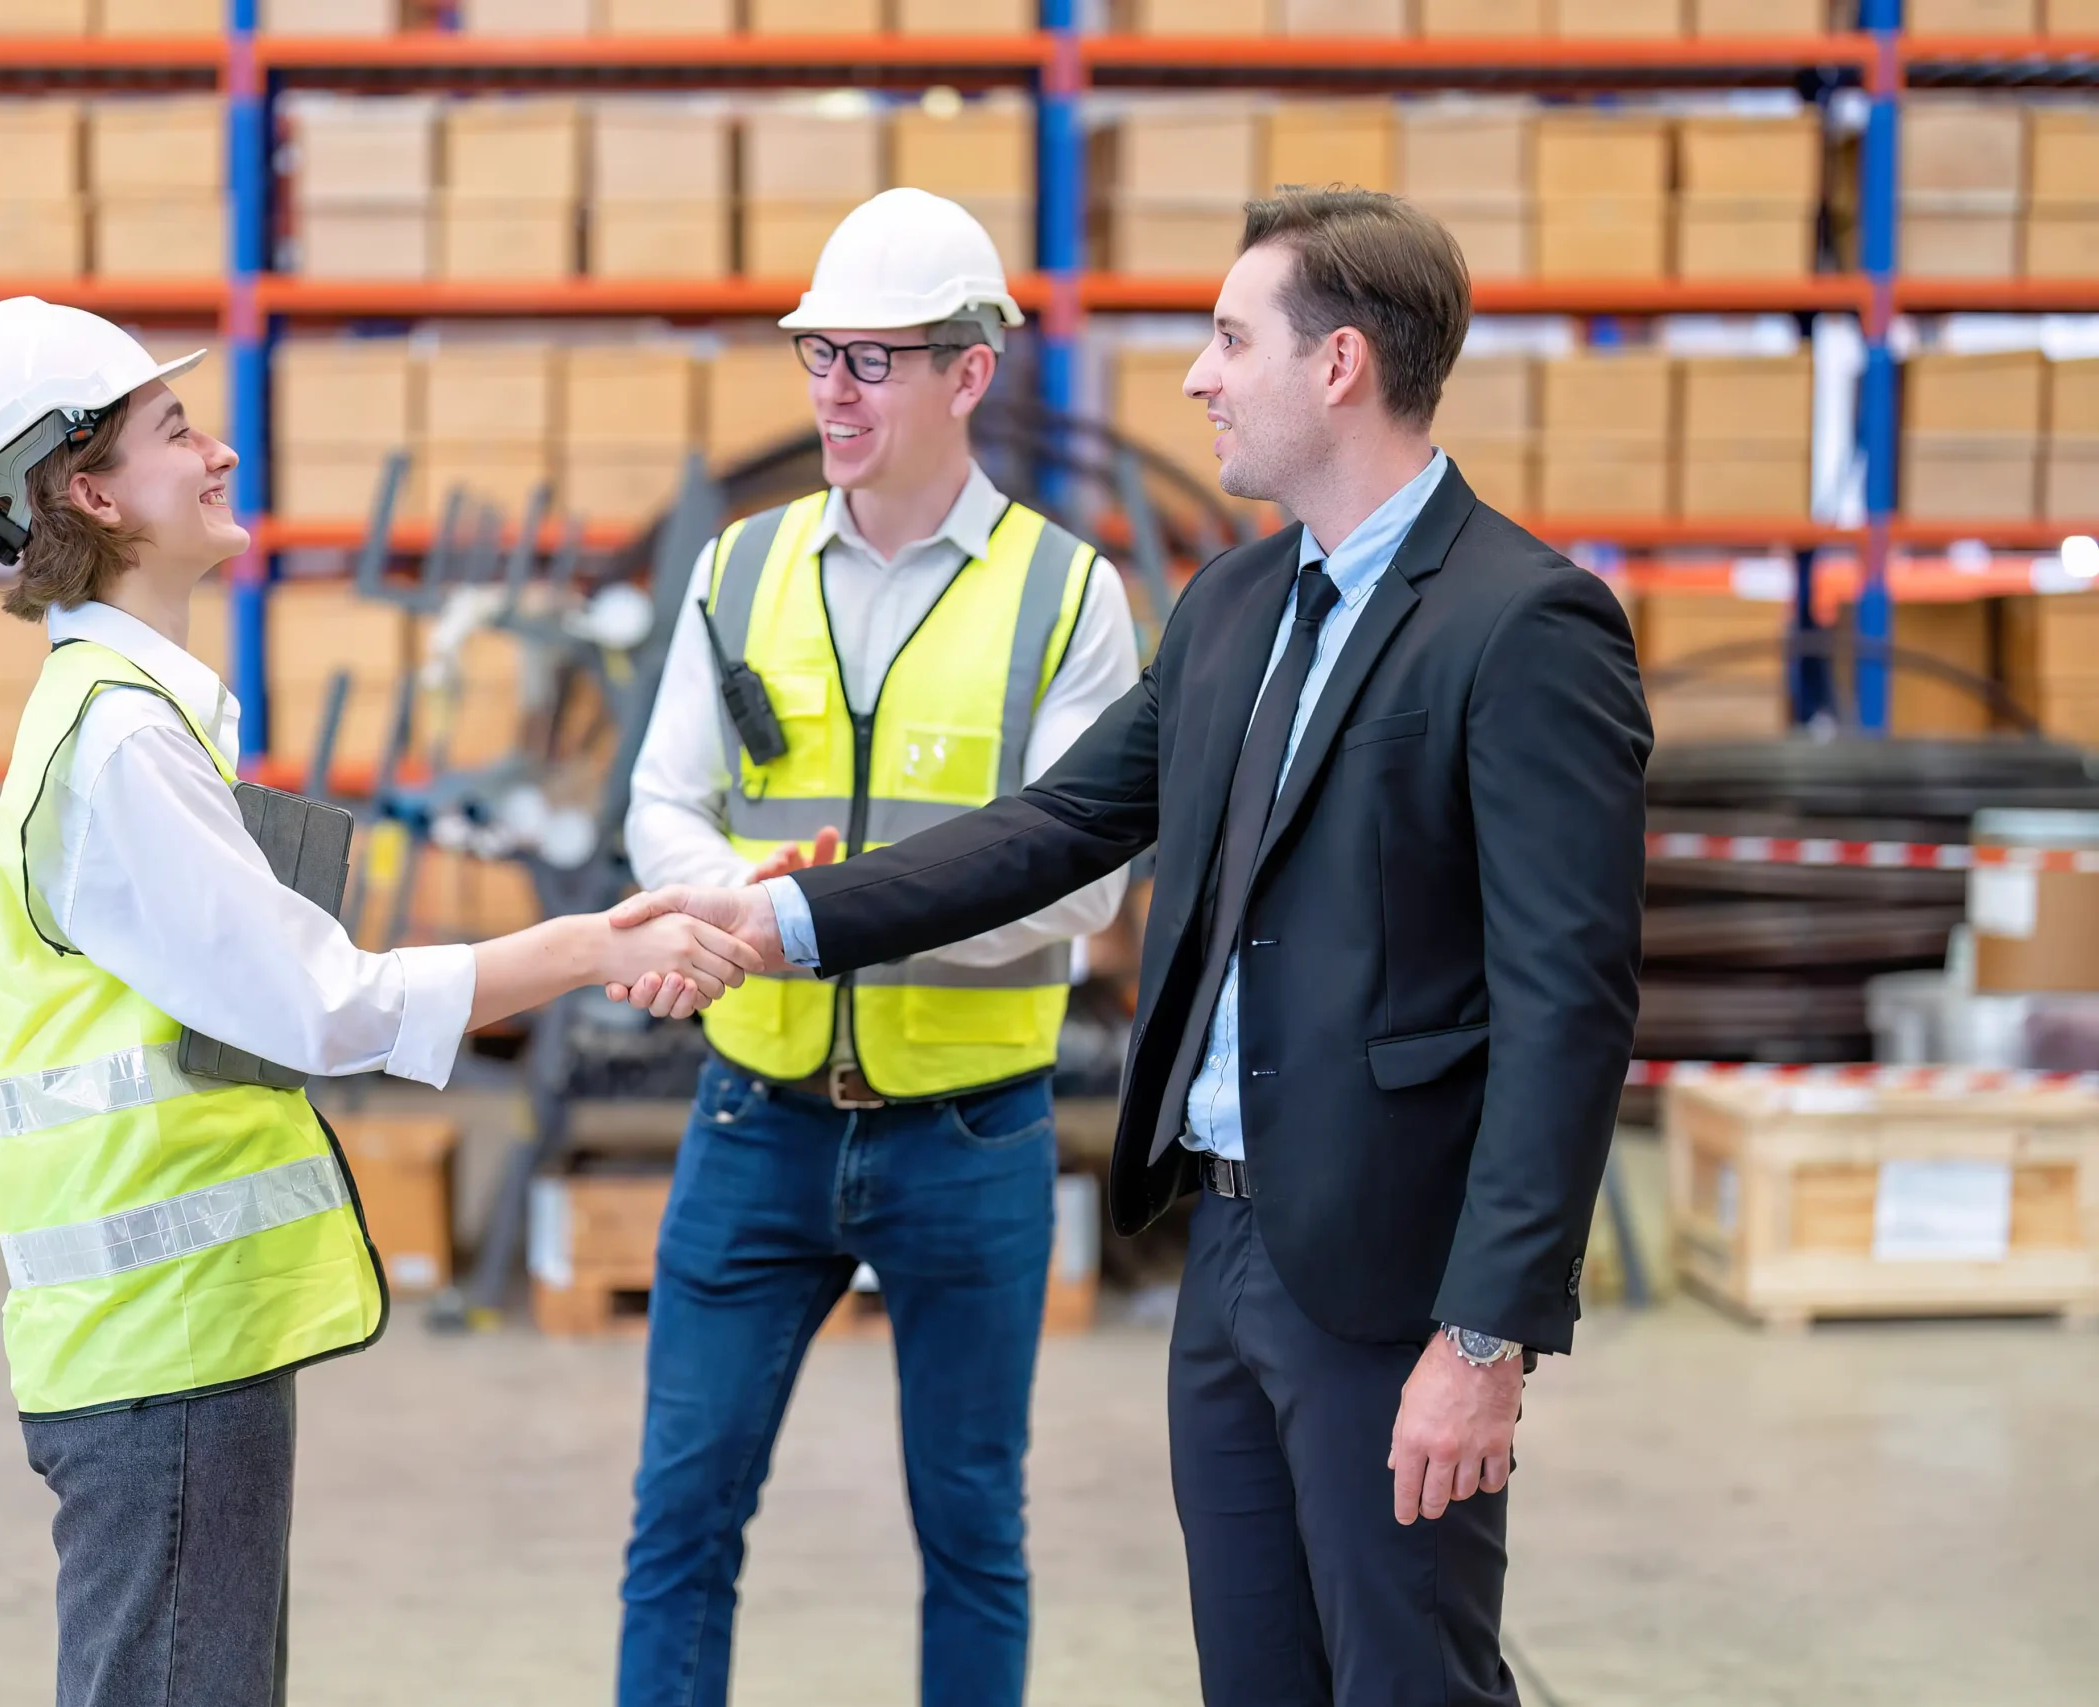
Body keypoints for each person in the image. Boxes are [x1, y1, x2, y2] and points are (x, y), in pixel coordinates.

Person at [611, 189, 1652, 1706]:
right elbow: (1047, 829)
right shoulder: (1235, 605)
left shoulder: (1522, 623)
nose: (1198, 378)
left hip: (1390, 1272)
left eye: (1232, 339)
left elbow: (1570, 1011)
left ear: (1341, 364)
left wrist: (1487, 1333)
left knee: (1408, 1676)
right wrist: (774, 918)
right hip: (1223, 1250)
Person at [0, 297, 758, 1707]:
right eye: (179, 432)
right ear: (92, 490)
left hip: (177, 1340)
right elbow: (319, 1004)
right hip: (157, 1350)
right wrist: (586, 946)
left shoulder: (134, 714)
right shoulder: (116, 744)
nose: (222, 451)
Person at [610, 188, 1142, 1707]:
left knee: (973, 1527)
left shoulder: (1068, 598)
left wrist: (812, 916)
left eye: (870, 360)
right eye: (814, 356)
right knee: (680, 1518)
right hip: (751, 1121)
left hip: (971, 1132)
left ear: (968, 374)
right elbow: (663, 803)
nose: (832, 393)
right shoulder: (740, 570)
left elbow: (1079, 882)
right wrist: (737, 912)